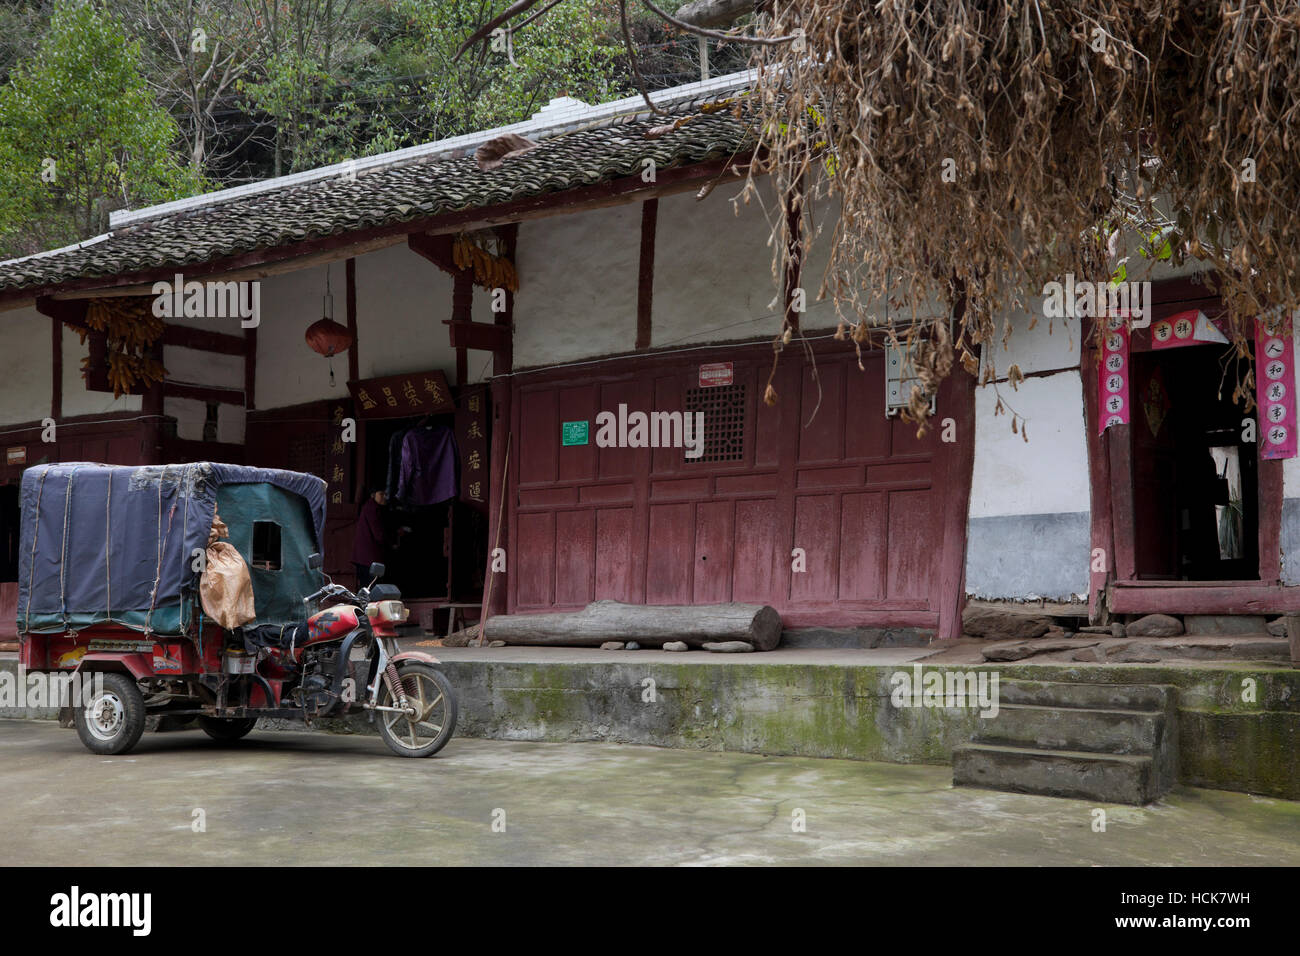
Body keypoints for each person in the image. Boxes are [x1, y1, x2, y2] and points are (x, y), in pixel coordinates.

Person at [352, 489, 389, 585]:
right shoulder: (372, 509)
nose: (385, 497)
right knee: (369, 587)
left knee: (367, 586)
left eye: (386, 494)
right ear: (373, 495)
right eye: (381, 494)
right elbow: (378, 534)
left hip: (365, 557)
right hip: (368, 558)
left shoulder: (372, 507)